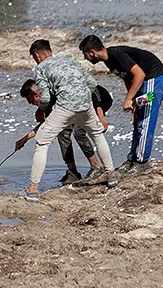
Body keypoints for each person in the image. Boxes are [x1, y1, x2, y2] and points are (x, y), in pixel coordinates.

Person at [16, 39, 117, 202]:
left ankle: (33, 190)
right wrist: (81, 97)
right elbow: (92, 83)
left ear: (37, 55)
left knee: (42, 143)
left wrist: (42, 109)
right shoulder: (71, 61)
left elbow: (46, 96)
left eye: (35, 58)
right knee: (97, 135)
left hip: (65, 107)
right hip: (86, 105)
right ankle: (112, 175)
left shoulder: (41, 68)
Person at [78, 34, 163, 177]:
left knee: (146, 119)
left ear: (92, 52)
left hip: (155, 79)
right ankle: (133, 158)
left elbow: (139, 74)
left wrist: (128, 99)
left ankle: (141, 163)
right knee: (139, 117)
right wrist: (133, 102)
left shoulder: (117, 54)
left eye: (85, 55)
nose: (85, 59)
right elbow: (128, 78)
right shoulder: (109, 61)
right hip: (145, 83)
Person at [16, 80, 113, 185]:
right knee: (62, 131)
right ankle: (73, 172)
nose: (31, 104)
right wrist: (24, 139)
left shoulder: (56, 90)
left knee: (78, 131)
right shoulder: (48, 102)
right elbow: (47, 124)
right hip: (77, 106)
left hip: (99, 99)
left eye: (30, 100)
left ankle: (96, 168)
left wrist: (101, 118)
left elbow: (93, 92)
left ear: (36, 94)